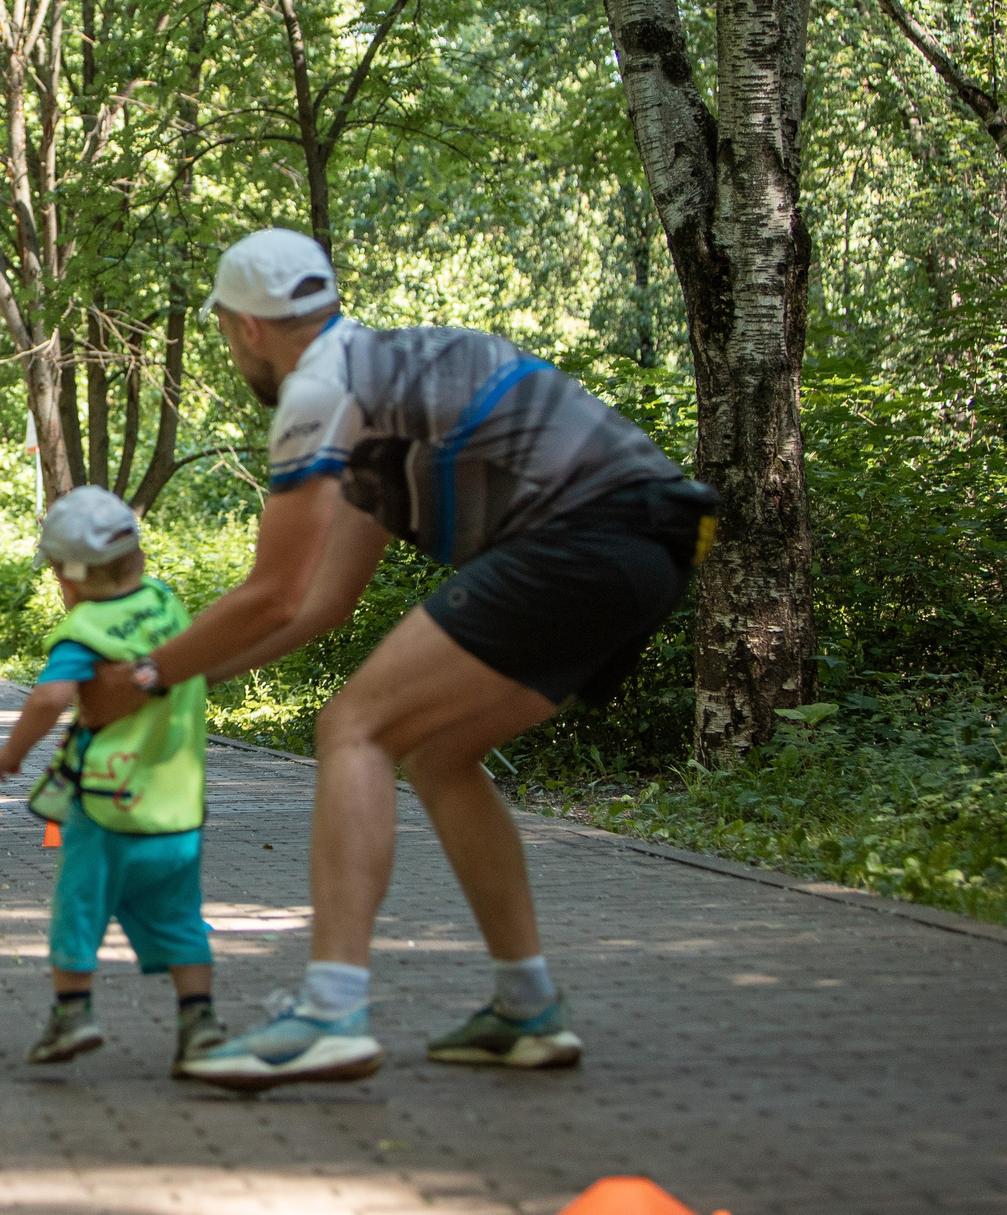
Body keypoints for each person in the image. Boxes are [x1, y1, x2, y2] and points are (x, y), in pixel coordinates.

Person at [80, 228, 715, 1091]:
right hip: (653, 551)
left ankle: (331, 1011)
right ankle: (526, 1004)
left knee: (354, 726)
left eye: (229, 335)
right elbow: (316, 603)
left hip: (585, 535)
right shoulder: (384, 388)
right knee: (435, 752)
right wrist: (179, 681)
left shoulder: (319, 388)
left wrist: (145, 674)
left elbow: (268, 591)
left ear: (248, 330)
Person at [0, 487, 221, 1074]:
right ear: (138, 560)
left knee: (79, 905)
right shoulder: (167, 604)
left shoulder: (85, 629)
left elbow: (50, 697)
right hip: (176, 807)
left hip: (106, 804)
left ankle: (73, 1015)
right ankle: (200, 1026)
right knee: (182, 918)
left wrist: (14, 752)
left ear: (66, 578)